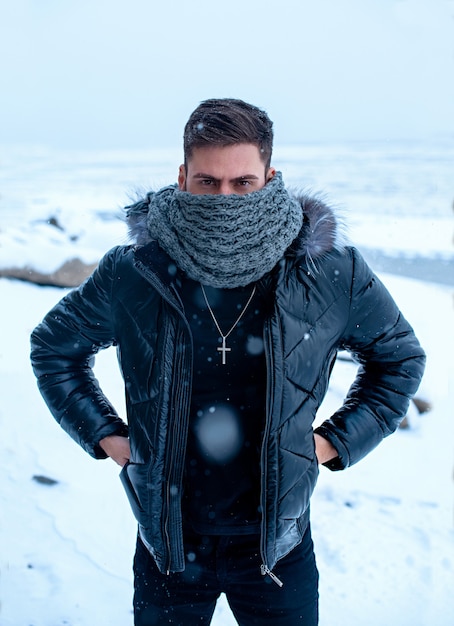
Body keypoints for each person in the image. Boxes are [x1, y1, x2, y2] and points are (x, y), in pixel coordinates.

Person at [30, 98, 426, 625]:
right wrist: (106, 435)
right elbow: (54, 347)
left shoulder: (329, 271)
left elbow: (398, 358)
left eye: (243, 182)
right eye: (208, 182)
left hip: (277, 549)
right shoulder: (136, 272)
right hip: (168, 545)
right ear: (182, 176)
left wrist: (333, 442)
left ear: (270, 175)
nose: (225, 198)